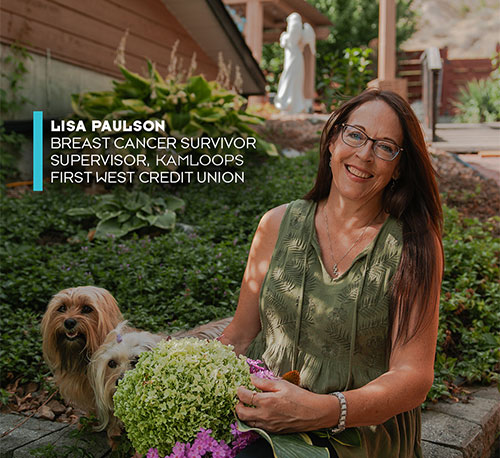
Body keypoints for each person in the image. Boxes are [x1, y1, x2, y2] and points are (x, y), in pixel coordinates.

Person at [219, 89, 444, 458]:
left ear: (399, 167)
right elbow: (240, 336)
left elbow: (413, 378)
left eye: (385, 147)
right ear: (332, 139)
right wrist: (176, 374)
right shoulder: (275, 225)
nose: (364, 155)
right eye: (355, 135)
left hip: (358, 435)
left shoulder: (415, 246)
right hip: (263, 417)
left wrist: (320, 411)